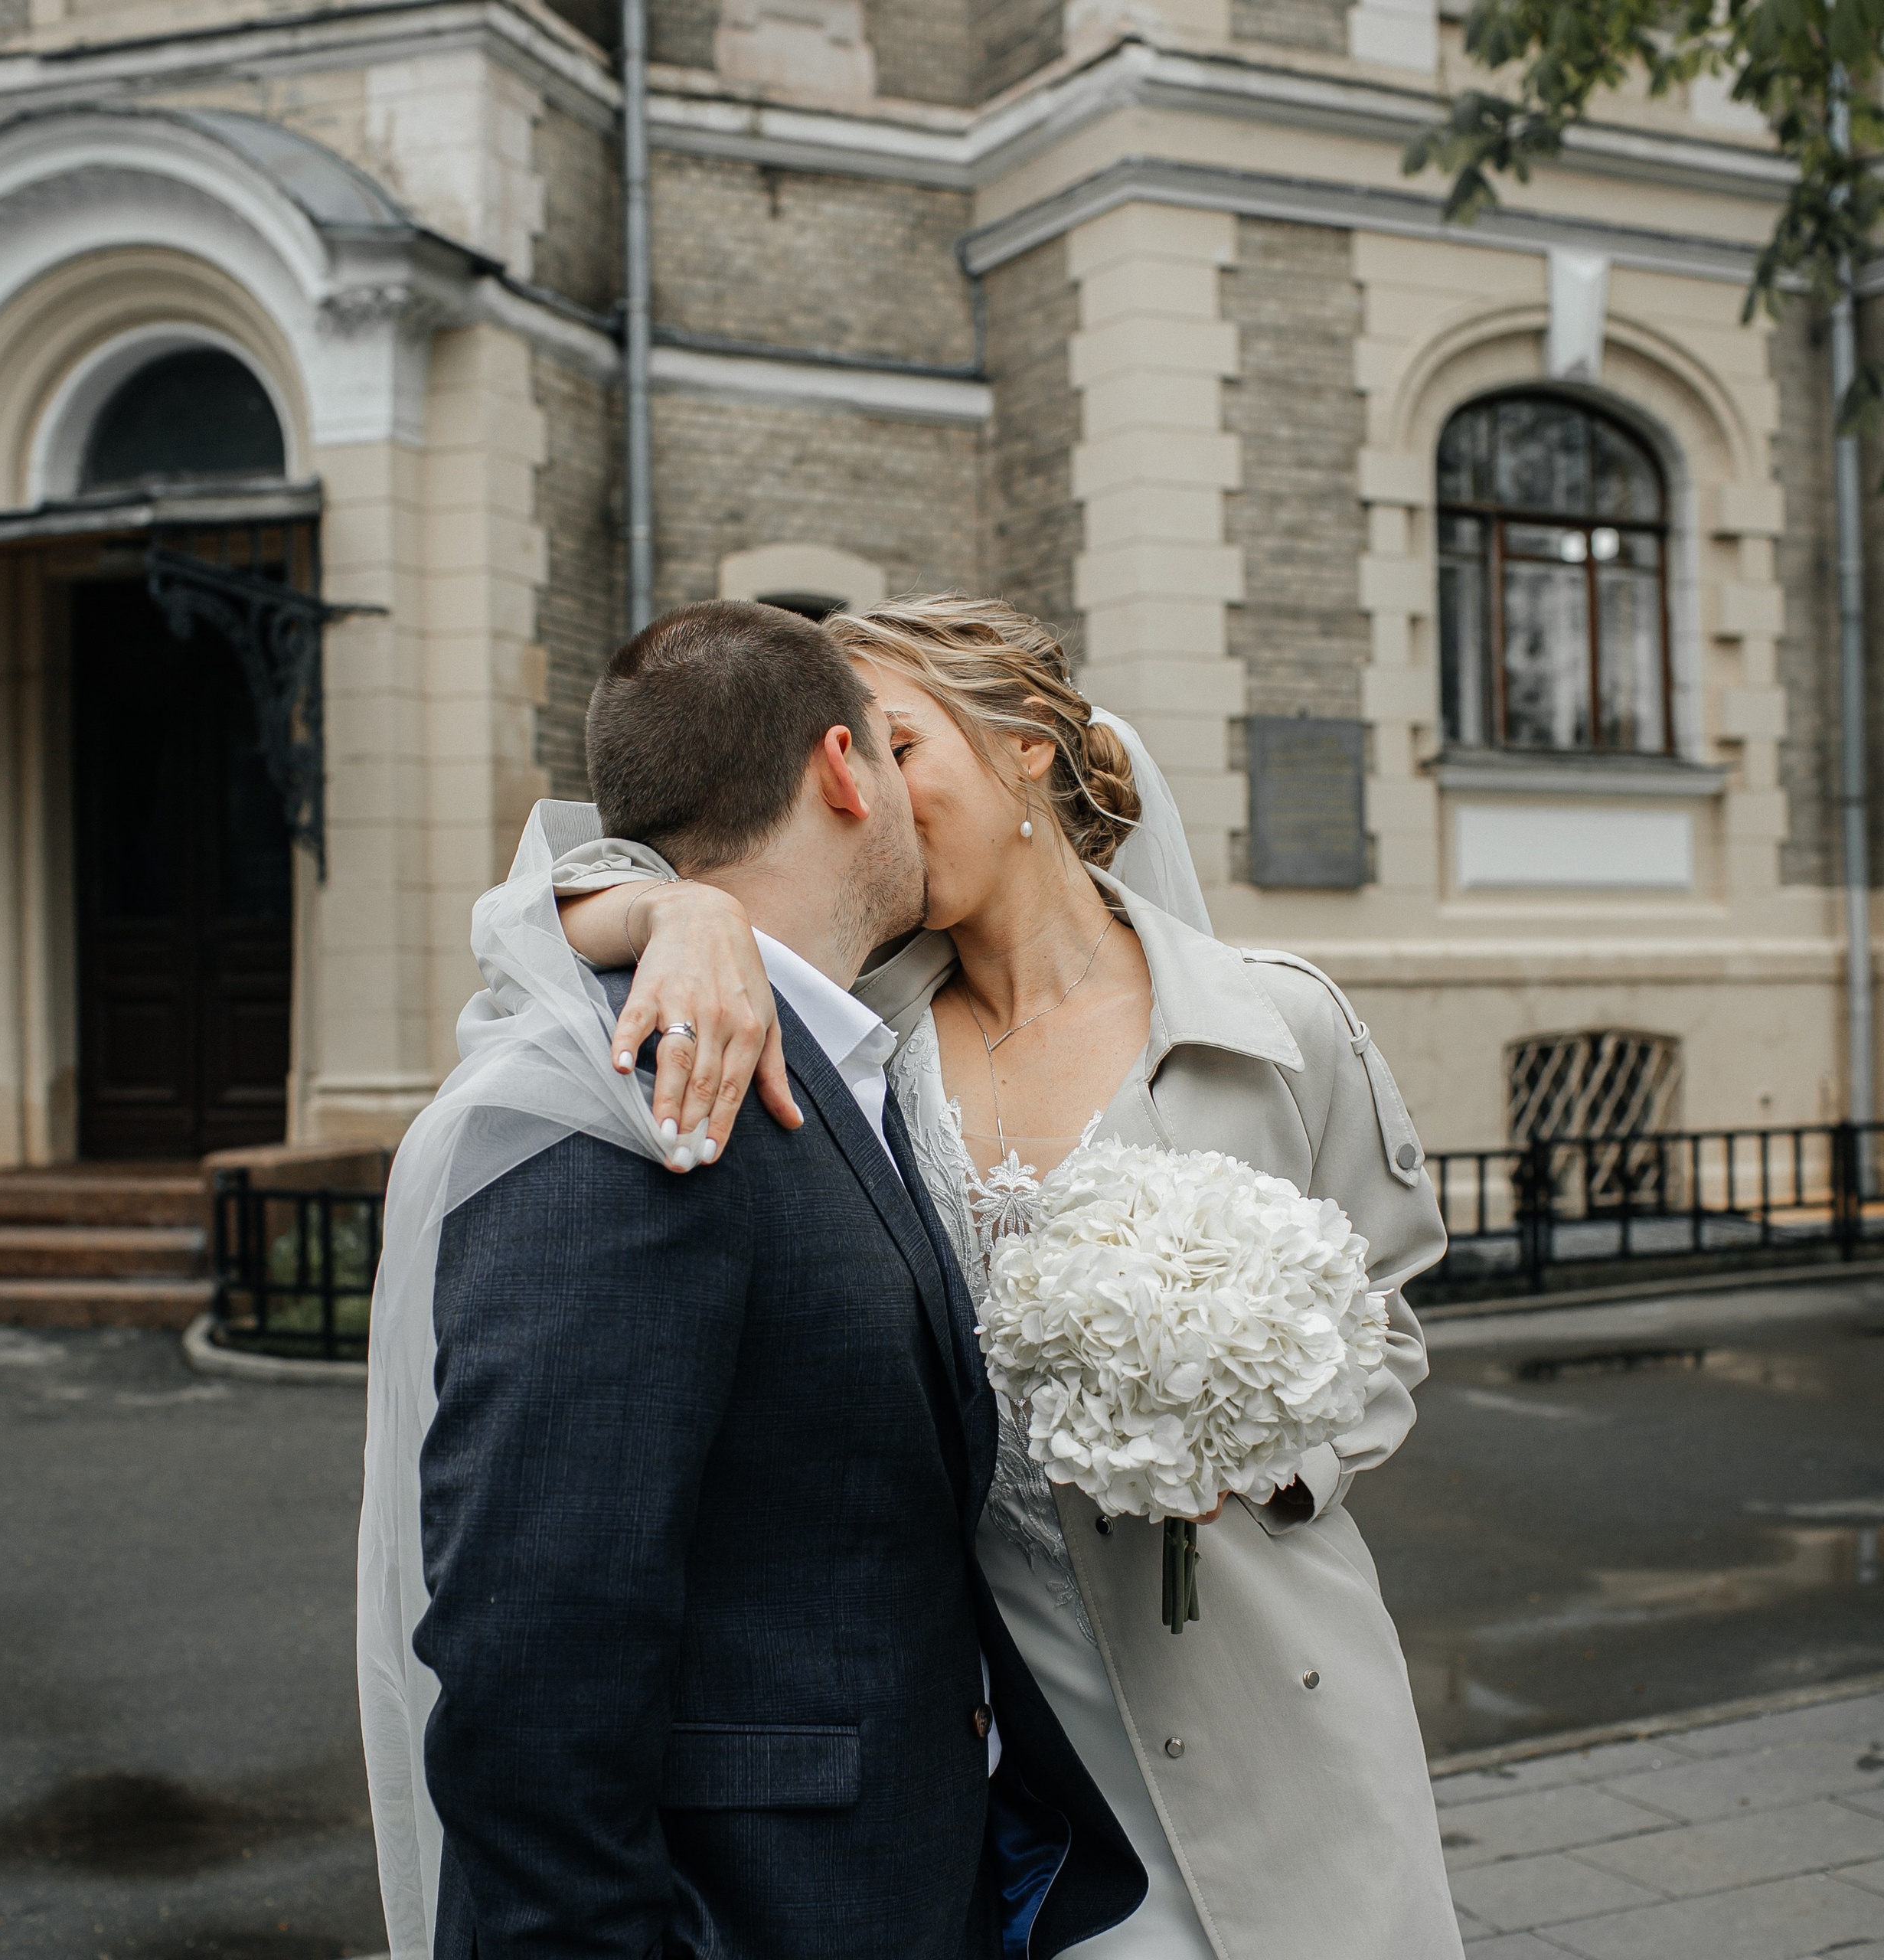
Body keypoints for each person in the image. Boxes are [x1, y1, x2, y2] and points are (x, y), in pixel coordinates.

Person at [554, 593, 1464, 1960]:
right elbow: (525, 923)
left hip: (1275, 1682)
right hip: (1020, 1744)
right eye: (846, 755)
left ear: (1025, 747)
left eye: (900, 741)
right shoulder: (859, 1039)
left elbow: (1385, 1323)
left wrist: (1267, 1459)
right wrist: (680, 911)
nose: (871, 792)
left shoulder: (1275, 1024)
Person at [356, 599, 1146, 1960]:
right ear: (846, 771)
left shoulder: (837, 1048)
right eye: (894, 757)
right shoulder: (644, 1095)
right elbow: (529, 1665)